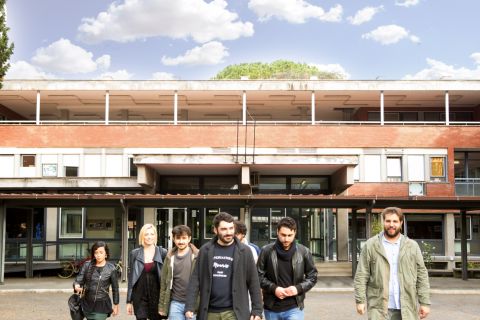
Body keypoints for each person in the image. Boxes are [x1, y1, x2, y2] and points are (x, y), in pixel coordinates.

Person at [354, 207, 431, 320]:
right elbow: (361, 274)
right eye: (388, 221)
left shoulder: (412, 246)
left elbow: (422, 276)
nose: (391, 225)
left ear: (401, 222)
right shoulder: (371, 245)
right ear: (383, 222)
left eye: (395, 221)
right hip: (378, 307)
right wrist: (360, 300)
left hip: (406, 307)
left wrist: (424, 302)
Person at [185, 212, 263, 320]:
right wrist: (189, 305)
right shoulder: (205, 251)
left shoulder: (245, 251)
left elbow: (254, 282)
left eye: (231, 228)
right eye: (224, 229)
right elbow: (195, 279)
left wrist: (257, 310)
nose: (229, 232)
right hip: (209, 312)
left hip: (234, 312)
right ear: (215, 230)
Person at [257, 217, 318, 320]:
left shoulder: (304, 252)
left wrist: (298, 288)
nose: (286, 239)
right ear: (277, 232)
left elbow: (313, 276)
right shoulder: (266, 251)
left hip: (294, 307)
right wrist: (274, 288)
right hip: (271, 307)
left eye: (290, 235)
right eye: (283, 235)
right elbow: (258, 275)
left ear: (295, 232)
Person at [127, 223, 167, 320]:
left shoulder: (163, 252)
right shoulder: (134, 254)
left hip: (157, 297)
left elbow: (167, 278)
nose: (149, 237)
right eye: (146, 234)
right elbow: (131, 278)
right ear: (142, 236)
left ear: (155, 236)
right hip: (139, 296)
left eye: (152, 234)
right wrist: (129, 301)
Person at [159, 225, 199, 320]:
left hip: (193, 303)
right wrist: (161, 306)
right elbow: (164, 283)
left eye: (184, 238)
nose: (181, 241)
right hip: (175, 303)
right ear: (173, 239)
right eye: (178, 238)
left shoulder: (197, 256)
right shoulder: (169, 257)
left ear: (189, 239)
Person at [73, 241, 119, 320]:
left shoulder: (111, 268)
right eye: (96, 252)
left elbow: (115, 289)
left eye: (101, 252)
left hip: (102, 305)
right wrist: (76, 286)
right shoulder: (87, 265)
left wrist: (116, 305)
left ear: (106, 254)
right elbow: (79, 279)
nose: (98, 255)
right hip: (87, 304)